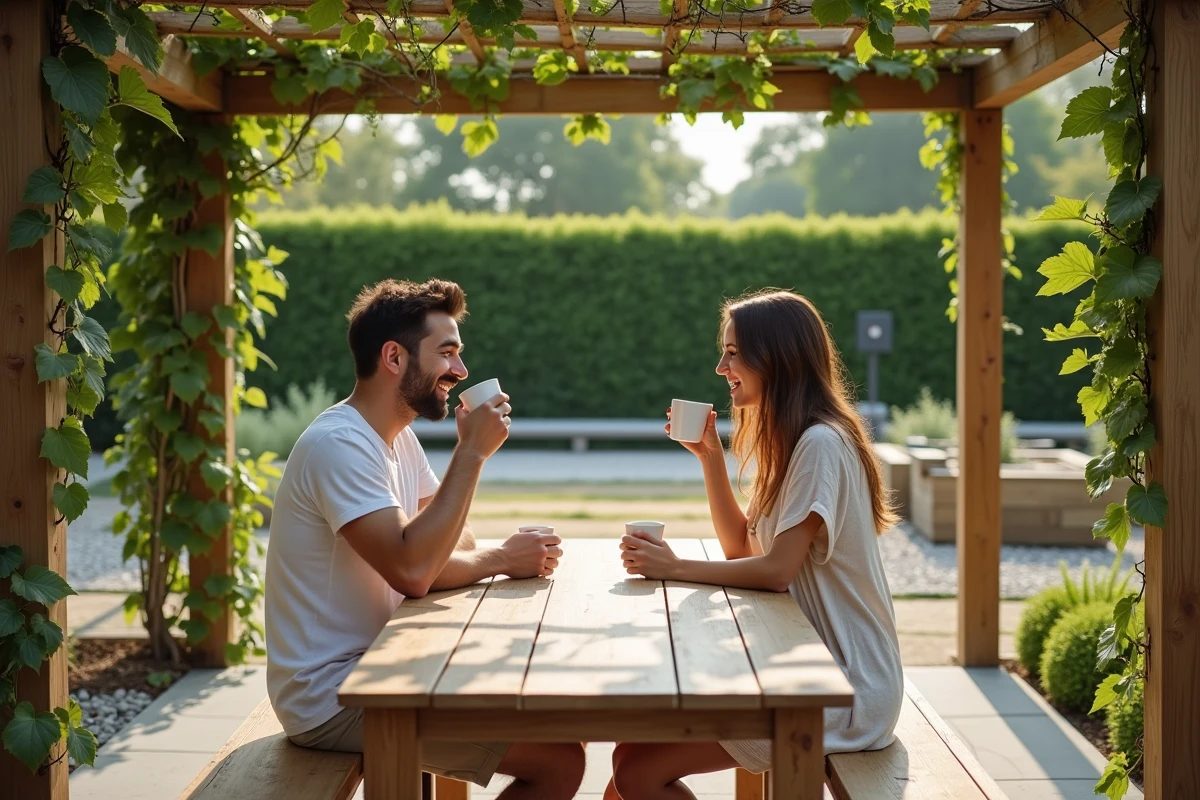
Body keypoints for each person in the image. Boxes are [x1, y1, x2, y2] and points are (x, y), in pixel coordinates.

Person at [264, 278, 585, 799]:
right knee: (558, 761)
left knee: (552, 723)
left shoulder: (397, 438)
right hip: (333, 696)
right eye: (448, 353)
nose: (460, 372)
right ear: (394, 357)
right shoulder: (339, 446)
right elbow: (416, 570)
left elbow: (450, 546)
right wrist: (473, 460)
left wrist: (491, 551)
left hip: (388, 665)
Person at [607, 290, 903, 800]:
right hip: (802, 666)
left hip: (845, 686)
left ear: (778, 357)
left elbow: (775, 572)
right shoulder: (793, 440)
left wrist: (673, 568)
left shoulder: (820, 444)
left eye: (733, 352)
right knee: (629, 757)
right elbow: (744, 551)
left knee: (637, 771)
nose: (721, 366)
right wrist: (710, 457)